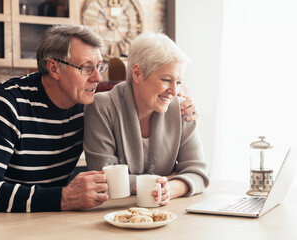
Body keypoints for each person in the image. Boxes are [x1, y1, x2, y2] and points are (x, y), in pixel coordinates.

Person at [0, 25, 198, 212]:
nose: (96, 78)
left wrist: (177, 94)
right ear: (54, 69)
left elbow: (129, 93)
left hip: (50, 217)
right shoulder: (8, 103)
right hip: (0, 222)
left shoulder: (86, 103)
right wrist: (63, 198)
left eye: (100, 66)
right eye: (86, 68)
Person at [84, 32, 210, 206]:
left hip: (166, 212)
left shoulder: (183, 109)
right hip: (114, 214)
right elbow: (104, 180)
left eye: (179, 82)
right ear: (137, 73)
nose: (174, 91)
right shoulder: (102, 107)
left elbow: (198, 174)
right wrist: (167, 178)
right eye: (166, 80)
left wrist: (168, 189)